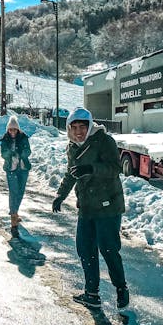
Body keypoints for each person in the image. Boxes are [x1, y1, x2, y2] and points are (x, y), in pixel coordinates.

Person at [52, 106, 129, 310]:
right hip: (86, 206)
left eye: (82, 126)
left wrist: (91, 169)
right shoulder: (72, 146)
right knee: (85, 249)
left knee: (109, 249)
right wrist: (60, 195)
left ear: (90, 125)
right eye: (74, 127)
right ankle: (92, 293)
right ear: (69, 128)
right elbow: (71, 173)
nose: (78, 131)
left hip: (108, 206)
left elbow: (115, 168)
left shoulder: (104, 141)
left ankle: (121, 287)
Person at [0, 115, 31, 238]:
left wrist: (22, 153)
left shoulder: (23, 138)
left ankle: (15, 212)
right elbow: (3, 154)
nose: (12, 132)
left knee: (20, 192)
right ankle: (13, 218)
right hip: (11, 169)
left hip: (23, 169)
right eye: (10, 129)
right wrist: (11, 153)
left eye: (14, 129)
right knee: (13, 192)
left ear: (18, 130)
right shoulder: (5, 139)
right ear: (8, 130)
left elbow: (28, 151)